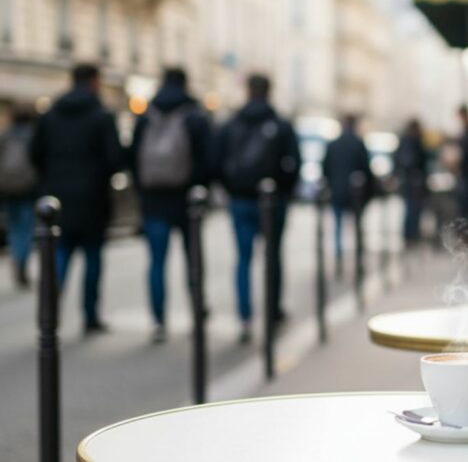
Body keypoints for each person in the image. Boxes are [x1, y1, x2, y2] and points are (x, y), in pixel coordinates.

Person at [31, 64, 123, 334]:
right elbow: (115, 159)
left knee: (59, 255)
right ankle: (90, 315)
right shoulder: (102, 116)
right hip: (92, 199)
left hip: (55, 199)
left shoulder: (50, 115)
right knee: (92, 258)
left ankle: (49, 315)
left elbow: (35, 155)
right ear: (94, 82)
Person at [213, 74, 300, 344]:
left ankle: (245, 316)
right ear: (269, 91)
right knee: (273, 256)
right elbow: (294, 163)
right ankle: (272, 311)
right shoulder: (281, 124)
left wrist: (233, 189)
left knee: (243, 259)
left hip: (240, 199)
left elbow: (216, 162)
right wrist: (282, 191)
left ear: (248, 91)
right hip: (272, 200)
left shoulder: (232, 124)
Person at [129, 68, 211, 344]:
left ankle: (158, 320)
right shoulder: (194, 116)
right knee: (194, 261)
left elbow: (132, 159)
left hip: (154, 201)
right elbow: (208, 160)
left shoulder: (146, 116)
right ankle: (197, 310)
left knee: (156, 263)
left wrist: (143, 193)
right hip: (188, 201)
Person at [321, 114, 373, 263]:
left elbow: (325, 167)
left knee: (338, 224)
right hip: (354, 192)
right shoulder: (358, 143)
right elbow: (365, 168)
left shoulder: (333, 144)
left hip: (337, 190)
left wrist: (330, 183)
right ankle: (358, 251)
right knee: (357, 223)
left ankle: (338, 253)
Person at [0, 102, 39, 289]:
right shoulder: (33, 136)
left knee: (14, 227)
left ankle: (16, 256)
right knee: (26, 227)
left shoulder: (5, 135)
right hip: (28, 188)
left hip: (7, 188)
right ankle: (22, 260)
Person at [393, 119, 428, 246]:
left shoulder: (407, 141)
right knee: (412, 210)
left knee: (412, 210)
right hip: (412, 184)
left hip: (409, 183)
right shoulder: (411, 142)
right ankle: (410, 235)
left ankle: (410, 235)